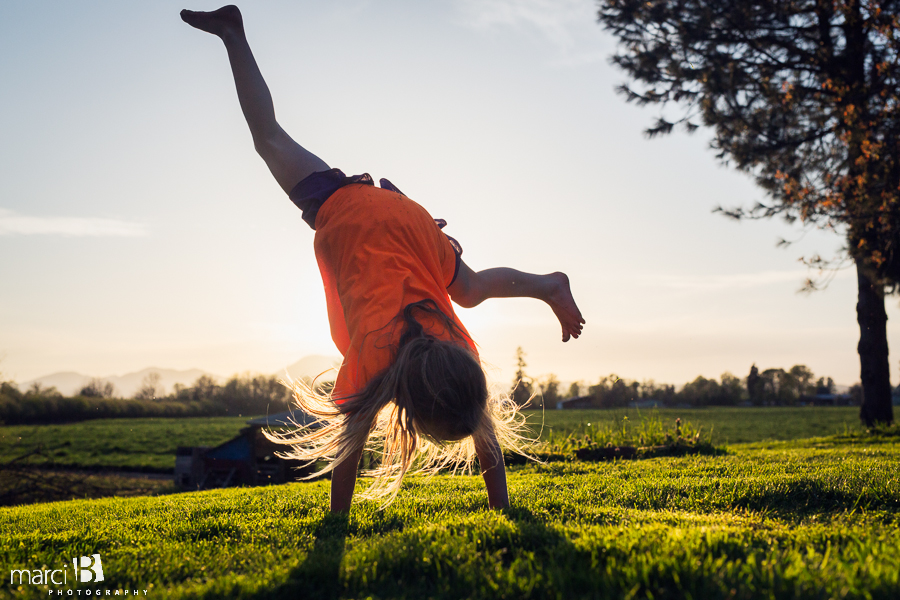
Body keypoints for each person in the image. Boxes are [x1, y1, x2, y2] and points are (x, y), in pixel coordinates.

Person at [180, 5, 585, 512]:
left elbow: (483, 433)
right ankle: (232, 34)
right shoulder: (372, 359)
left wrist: (502, 510)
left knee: (471, 289)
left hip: (406, 221)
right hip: (348, 213)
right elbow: (349, 453)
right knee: (269, 140)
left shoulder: (458, 354)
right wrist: (336, 521)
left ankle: (547, 284)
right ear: (412, 411)